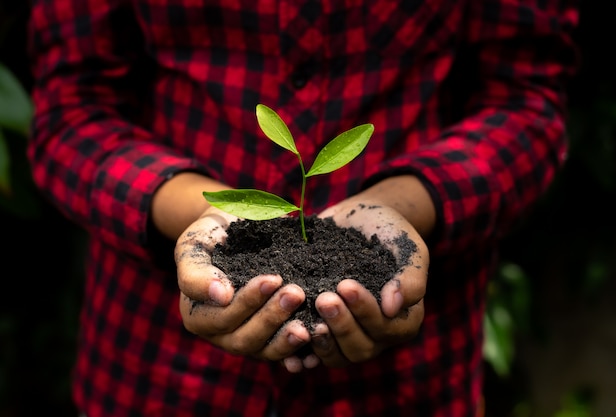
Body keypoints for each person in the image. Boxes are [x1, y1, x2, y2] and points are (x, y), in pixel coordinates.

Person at [26, 0, 579, 416]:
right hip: (157, 371)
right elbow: (71, 112)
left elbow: (524, 103)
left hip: (405, 383)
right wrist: (196, 213)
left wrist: (404, 205)